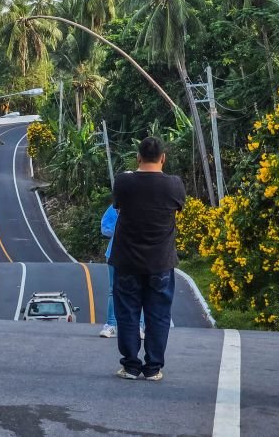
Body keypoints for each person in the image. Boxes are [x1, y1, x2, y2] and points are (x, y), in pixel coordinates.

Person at [109, 137, 185, 381]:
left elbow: (118, 205)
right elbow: (178, 207)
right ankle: (153, 368)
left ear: (138, 157)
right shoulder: (174, 184)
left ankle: (131, 366)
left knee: (127, 314)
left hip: (127, 261)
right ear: (163, 158)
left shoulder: (124, 182)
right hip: (161, 262)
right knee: (158, 315)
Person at [99, 204, 144, 340]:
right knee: (114, 289)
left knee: (139, 290)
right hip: (116, 252)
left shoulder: (146, 204)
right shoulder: (117, 205)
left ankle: (138, 326)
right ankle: (111, 325)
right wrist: (120, 229)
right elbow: (105, 227)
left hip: (139, 254)